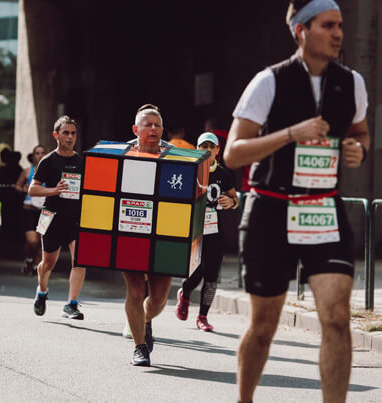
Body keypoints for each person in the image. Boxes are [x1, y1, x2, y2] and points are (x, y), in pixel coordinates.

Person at [223, 1, 369, 401]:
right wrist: (290, 133)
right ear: (301, 31)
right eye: (328, 25)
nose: (338, 33)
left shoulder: (351, 82)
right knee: (264, 325)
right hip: (271, 208)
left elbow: (360, 133)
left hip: (323, 208)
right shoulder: (267, 82)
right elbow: (232, 154)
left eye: (340, 25)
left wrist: (358, 149)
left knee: (337, 318)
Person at [122, 104, 175, 367]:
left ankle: (145, 320)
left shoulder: (177, 157)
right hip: (131, 231)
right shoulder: (122, 156)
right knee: (134, 290)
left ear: (163, 129)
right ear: (136, 129)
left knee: (157, 299)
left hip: (166, 235)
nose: (153, 129)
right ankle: (139, 346)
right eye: (147, 124)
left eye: (157, 124)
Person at [175, 132, 238, 331]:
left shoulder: (223, 174)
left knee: (211, 275)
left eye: (212, 147)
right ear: (197, 149)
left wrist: (232, 202)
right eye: (204, 146)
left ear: (217, 151)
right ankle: (184, 294)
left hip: (215, 230)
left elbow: (234, 199)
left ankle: (202, 317)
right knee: (196, 271)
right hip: (193, 231)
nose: (208, 150)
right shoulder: (190, 171)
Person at [28, 116, 86, 320]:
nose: (70, 137)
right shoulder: (48, 160)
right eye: (66, 133)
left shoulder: (81, 161)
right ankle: (42, 291)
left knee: (80, 261)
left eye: (73, 133)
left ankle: (71, 304)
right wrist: (54, 190)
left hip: (75, 218)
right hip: (52, 217)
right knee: (47, 264)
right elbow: (33, 189)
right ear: (56, 135)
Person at [14, 144, 47, 275]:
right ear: (33, 156)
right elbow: (17, 185)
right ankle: (28, 258)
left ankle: (35, 266)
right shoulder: (27, 172)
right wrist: (23, 189)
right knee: (32, 241)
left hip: (44, 210)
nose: (40, 155)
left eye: (42, 153)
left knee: (40, 241)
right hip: (29, 209)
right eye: (37, 153)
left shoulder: (51, 171)